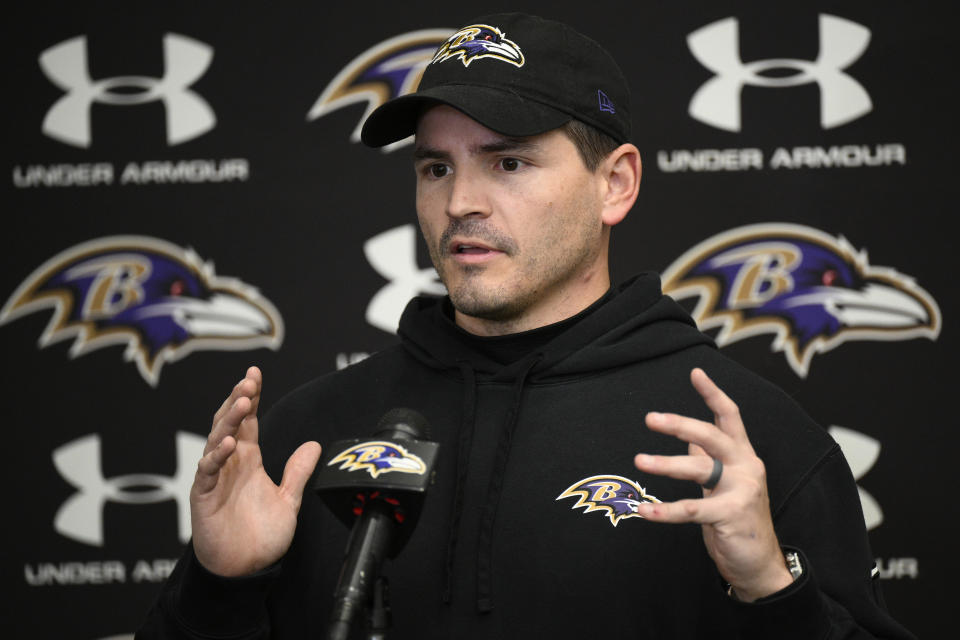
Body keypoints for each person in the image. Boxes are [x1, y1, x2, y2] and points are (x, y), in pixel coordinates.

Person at [137, 13, 914, 639]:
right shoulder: (309, 436)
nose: (461, 202)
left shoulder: (740, 442)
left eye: (507, 163)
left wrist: (774, 593)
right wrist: (221, 588)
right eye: (436, 167)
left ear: (616, 184)